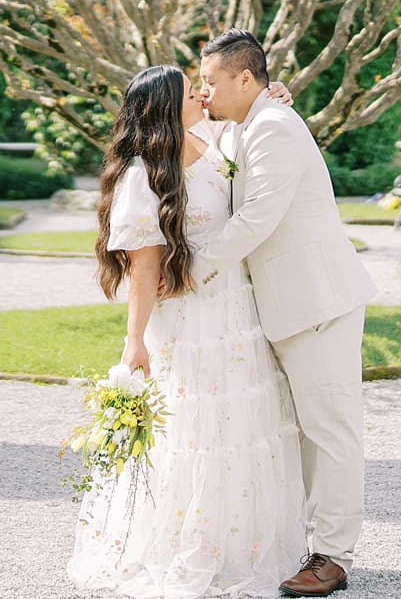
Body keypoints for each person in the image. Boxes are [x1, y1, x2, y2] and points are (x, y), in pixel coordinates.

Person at [69, 65, 305, 599]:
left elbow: (249, 127)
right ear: (166, 107)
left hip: (236, 314)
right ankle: (189, 549)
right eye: (190, 89)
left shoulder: (210, 139)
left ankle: (238, 545)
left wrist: (273, 96)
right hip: (188, 322)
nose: (202, 93)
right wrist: (134, 342)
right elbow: (144, 268)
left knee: (243, 427)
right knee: (195, 433)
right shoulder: (141, 175)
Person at [195, 29, 377, 598]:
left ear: (244, 79)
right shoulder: (252, 123)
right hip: (294, 306)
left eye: (211, 81)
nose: (203, 93)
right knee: (307, 433)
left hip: (318, 301)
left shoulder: (272, 126)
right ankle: (311, 543)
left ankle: (333, 557)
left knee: (331, 432)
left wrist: (186, 268)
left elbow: (255, 219)